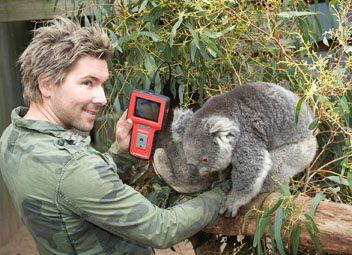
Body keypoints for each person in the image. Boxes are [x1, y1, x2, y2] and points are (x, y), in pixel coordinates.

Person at [0, 17, 227, 254]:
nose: (103, 99)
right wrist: (224, 192)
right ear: (46, 85)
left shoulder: (13, 136)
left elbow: (72, 190)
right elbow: (162, 228)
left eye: (102, 84)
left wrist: (120, 153)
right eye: (87, 83)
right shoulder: (72, 167)